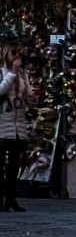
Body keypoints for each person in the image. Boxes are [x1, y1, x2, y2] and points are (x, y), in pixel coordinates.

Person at [0, 43, 30, 212]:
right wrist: (11, 74)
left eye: (19, 53)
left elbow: (26, 93)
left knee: (13, 166)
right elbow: (1, 90)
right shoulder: (3, 72)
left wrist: (31, 98)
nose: (17, 56)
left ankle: (10, 199)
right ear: (6, 54)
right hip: (3, 124)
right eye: (13, 53)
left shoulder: (22, 74)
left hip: (17, 125)